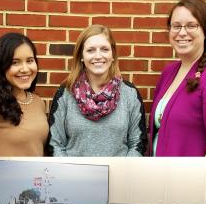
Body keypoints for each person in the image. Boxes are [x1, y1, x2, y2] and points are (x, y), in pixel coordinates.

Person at [49, 24, 147, 156]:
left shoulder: (130, 94)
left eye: (104, 49)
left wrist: (122, 173)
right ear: (81, 57)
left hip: (118, 175)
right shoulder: (65, 94)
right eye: (90, 50)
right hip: (74, 175)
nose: (98, 56)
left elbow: (137, 143)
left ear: (113, 55)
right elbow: (54, 143)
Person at [149, 0, 206, 156]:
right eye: (176, 26)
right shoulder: (168, 73)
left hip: (189, 179)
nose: (182, 32)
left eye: (191, 25)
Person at [0, 32, 48, 156]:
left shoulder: (38, 102)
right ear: (1, 66)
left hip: (36, 175)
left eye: (30, 61)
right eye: (15, 62)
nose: (25, 69)